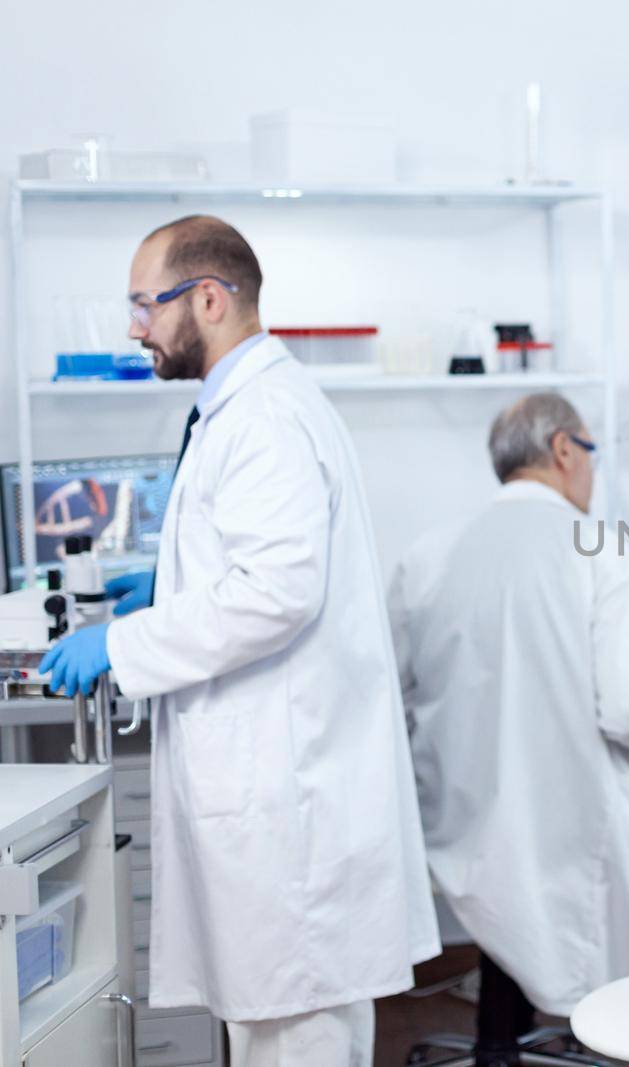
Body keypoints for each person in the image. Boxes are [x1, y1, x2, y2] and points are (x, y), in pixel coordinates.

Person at [39, 216, 439, 1066]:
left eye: (146, 304)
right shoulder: (245, 408)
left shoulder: (264, 417)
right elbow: (265, 566)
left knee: (298, 1039)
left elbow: (275, 594)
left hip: (290, 817)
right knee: (275, 1033)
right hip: (274, 804)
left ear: (209, 298)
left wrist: (124, 640)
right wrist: (165, 586)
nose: (135, 326)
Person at [388, 393, 629, 1067]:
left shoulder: (427, 554)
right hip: (563, 827)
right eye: (592, 452)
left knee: (513, 880)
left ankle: (498, 1047)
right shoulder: (593, 547)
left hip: (458, 827)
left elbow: (396, 690)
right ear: (565, 450)